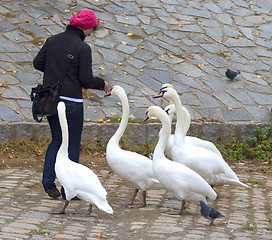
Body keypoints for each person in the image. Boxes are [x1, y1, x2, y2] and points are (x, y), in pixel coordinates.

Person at [33, 9, 111, 199]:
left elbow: (38, 63)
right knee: (73, 142)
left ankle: (48, 183)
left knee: (57, 140)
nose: (92, 32)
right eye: (92, 28)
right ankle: (69, 189)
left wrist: (54, 69)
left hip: (52, 100)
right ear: (86, 27)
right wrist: (103, 84)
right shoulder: (82, 48)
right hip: (72, 103)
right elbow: (86, 79)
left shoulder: (53, 40)